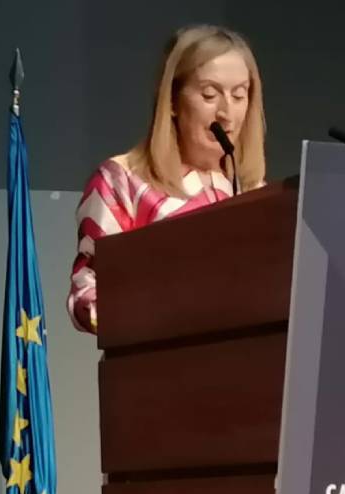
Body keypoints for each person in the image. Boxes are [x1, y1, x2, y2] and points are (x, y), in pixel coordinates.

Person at [67, 25, 267, 333]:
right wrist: (161, 311)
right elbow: (87, 295)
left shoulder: (254, 193)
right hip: (159, 371)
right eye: (210, 94)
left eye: (240, 95)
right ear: (172, 100)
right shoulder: (121, 181)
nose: (227, 113)